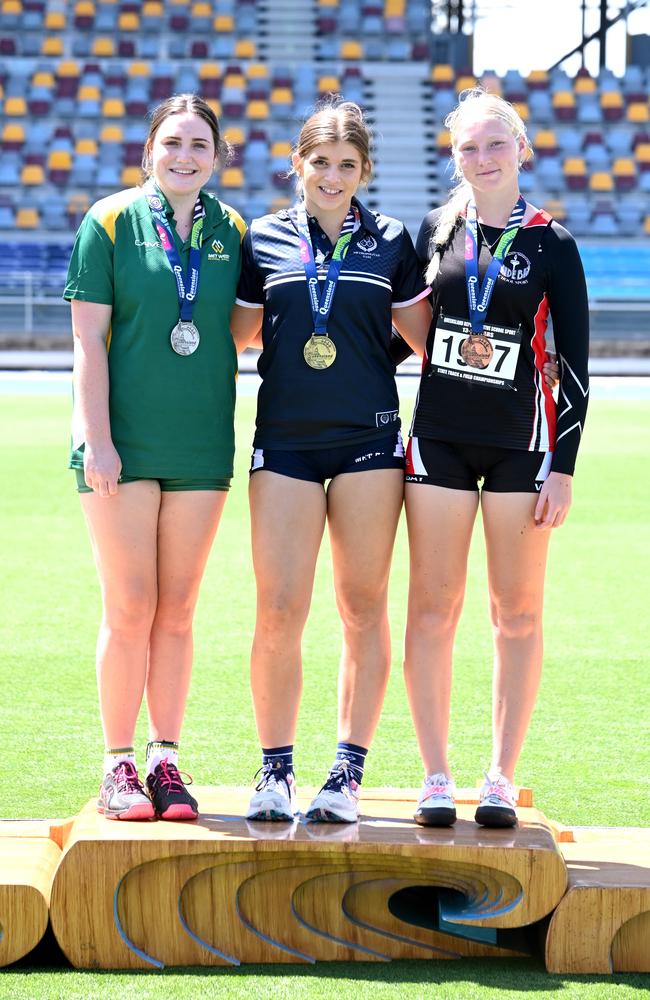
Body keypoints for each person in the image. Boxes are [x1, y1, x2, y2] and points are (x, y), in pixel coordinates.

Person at [230, 98, 431, 823]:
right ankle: (275, 772)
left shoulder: (391, 241)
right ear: (298, 165)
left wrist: (368, 361)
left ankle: (345, 774)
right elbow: (241, 336)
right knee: (280, 608)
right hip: (283, 441)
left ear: (365, 170)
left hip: (370, 441)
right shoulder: (262, 239)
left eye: (348, 165)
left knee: (362, 606)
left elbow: (425, 337)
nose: (333, 175)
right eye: (321, 162)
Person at [404, 89, 590, 828]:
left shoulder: (553, 244)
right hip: (439, 438)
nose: (482, 159)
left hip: (523, 446)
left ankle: (501, 778)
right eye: (467, 148)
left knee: (515, 613)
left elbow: (574, 365)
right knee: (432, 607)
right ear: (453, 157)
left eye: (494, 144)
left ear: (522, 149)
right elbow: (407, 327)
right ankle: (435, 775)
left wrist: (566, 467)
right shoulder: (434, 229)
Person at [65, 94, 246, 821]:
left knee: (178, 610)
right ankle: (118, 766)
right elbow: (86, 344)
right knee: (131, 603)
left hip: (201, 443)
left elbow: (249, 327)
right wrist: (97, 439)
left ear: (216, 156)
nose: (185, 155)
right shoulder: (107, 221)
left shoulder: (233, 230)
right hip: (122, 447)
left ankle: (166, 761)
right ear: (148, 151)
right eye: (172, 142)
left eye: (199, 144)